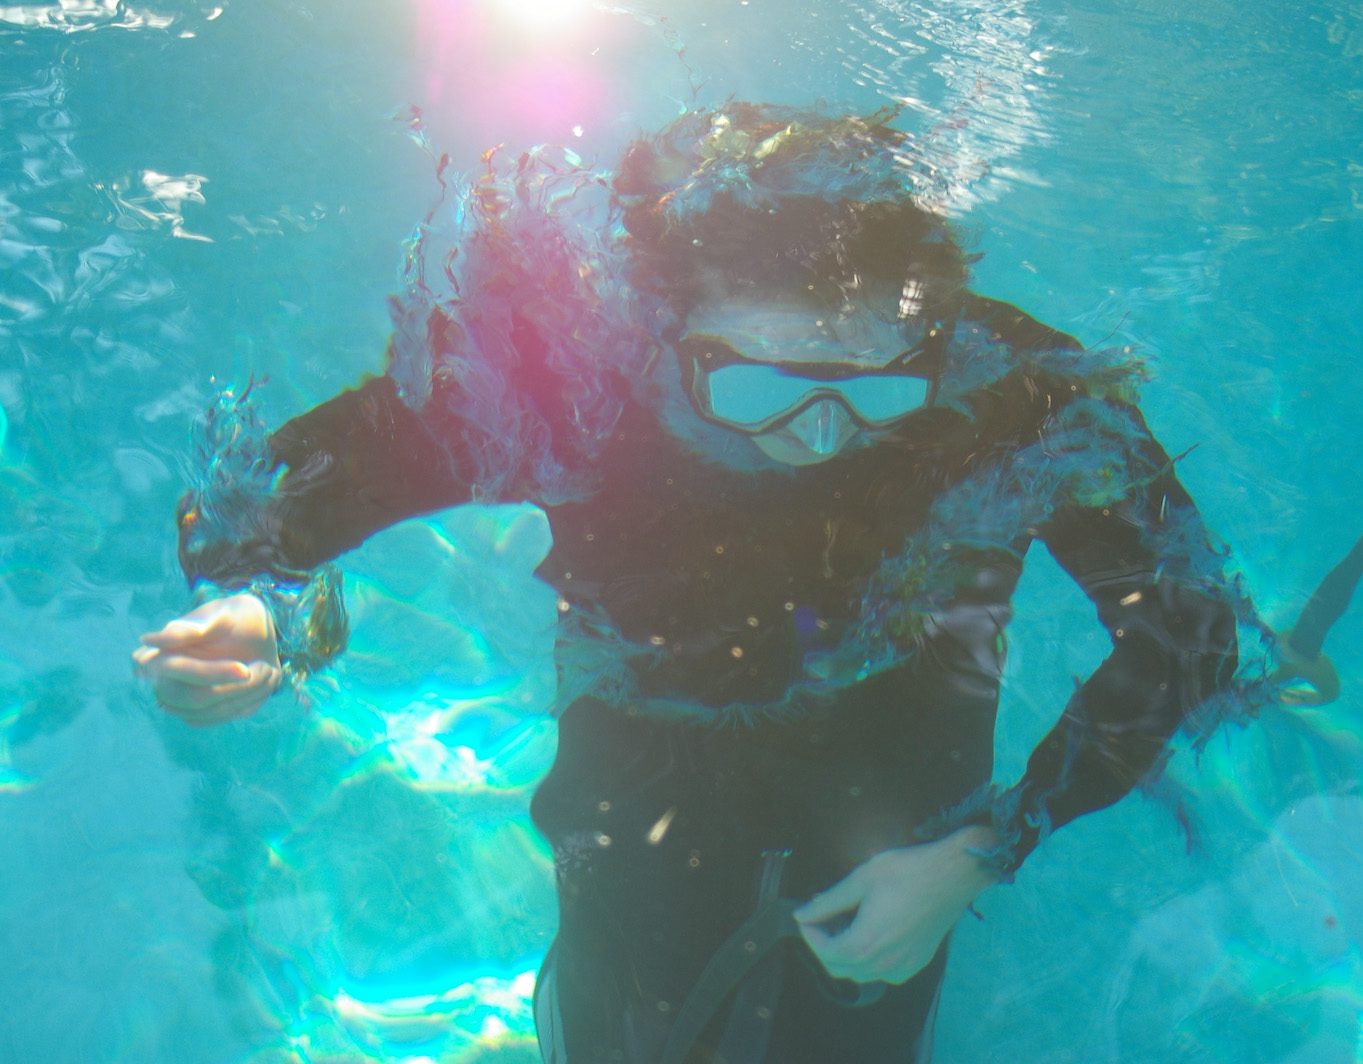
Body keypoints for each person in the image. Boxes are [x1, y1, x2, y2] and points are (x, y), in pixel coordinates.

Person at [133, 104, 1239, 1064]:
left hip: (905, 802)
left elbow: (1194, 630)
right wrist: (275, 615)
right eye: (760, 382)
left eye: (877, 383)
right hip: (645, 768)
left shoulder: (1007, 389)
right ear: (668, 329)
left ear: (929, 330)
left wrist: (984, 850)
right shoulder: (579, 380)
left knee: (856, 1019)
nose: (821, 429)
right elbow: (272, 504)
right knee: (631, 976)